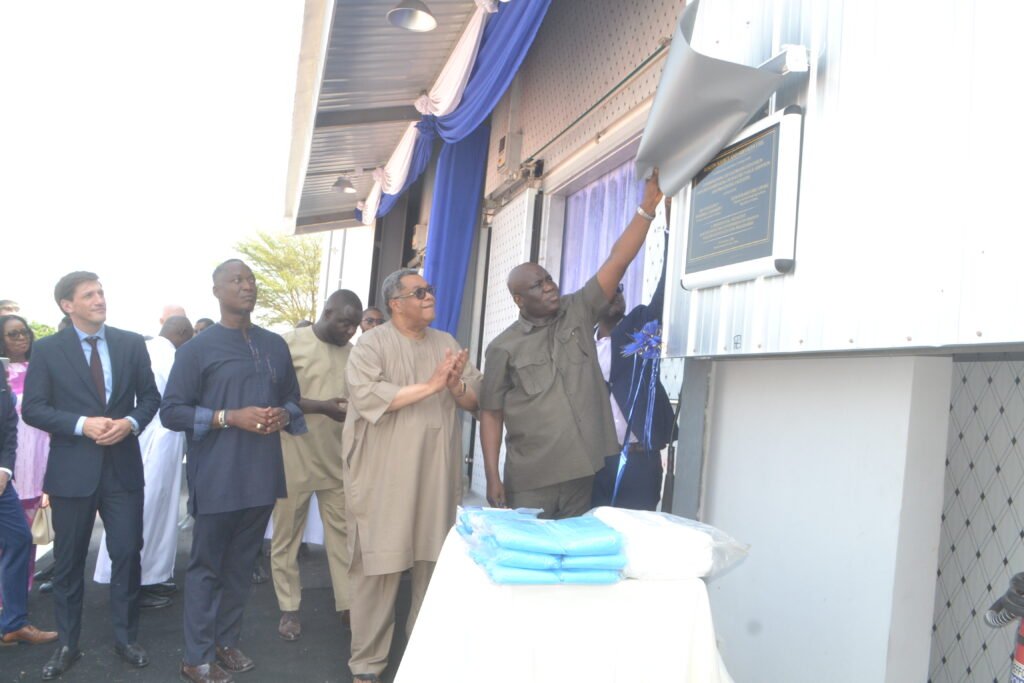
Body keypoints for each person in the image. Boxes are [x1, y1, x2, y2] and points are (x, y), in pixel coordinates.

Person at [480, 171, 664, 519]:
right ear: (519, 300)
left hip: (582, 474)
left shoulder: (577, 312)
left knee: (574, 559)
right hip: (531, 479)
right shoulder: (503, 348)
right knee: (533, 563)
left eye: (548, 279)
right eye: (537, 286)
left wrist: (647, 207)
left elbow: (617, 261)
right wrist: (492, 476)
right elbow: (491, 413)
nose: (548, 287)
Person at [161, 259, 306, 683]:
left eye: (251, 280)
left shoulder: (275, 345)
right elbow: (172, 412)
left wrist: (284, 414)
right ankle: (195, 657)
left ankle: (226, 642)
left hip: (262, 475)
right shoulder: (196, 350)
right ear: (217, 291)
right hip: (217, 475)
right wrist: (228, 417)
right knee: (207, 567)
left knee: (242, 567)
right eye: (236, 281)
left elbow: (295, 399)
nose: (247, 286)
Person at [343, 268, 481, 682]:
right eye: (418, 292)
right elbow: (371, 397)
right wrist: (434, 383)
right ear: (395, 304)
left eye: (430, 290)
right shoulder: (370, 345)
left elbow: (474, 400)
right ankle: (367, 666)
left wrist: (454, 385)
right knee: (378, 570)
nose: (429, 296)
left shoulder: (445, 342)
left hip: (435, 477)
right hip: (383, 478)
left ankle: (422, 659)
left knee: (432, 566)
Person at [22, 271, 161, 679]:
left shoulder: (130, 343)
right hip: (71, 473)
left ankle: (125, 638)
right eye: (89, 294)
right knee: (67, 564)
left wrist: (131, 423)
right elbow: (34, 408)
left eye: (101, 292)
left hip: (122, 470)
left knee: (127, 555)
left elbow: (150, 398)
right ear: (68, 305)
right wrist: (83, 423)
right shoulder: (48, 350)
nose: (100, 299)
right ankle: (67, 644)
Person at [272, 289, 362, 641]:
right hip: (291, 455)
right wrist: (322, 407)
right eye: (344, 322)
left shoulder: (356, 355)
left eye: (354, 325)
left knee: (343, 537)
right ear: (326, 313)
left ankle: (349, 605)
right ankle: (288, 608)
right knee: (286, 538)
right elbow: (274, 394)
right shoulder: (288, 343)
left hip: (336, 461)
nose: (350, 330)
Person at [93, 315, 193, 605]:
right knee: (150, 512)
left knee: (153, 513)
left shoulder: (148, 350)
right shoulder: (167, 356)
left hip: (150, 439)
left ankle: (147, 578)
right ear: (183, 333)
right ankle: (134, 584)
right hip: (157, 442)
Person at [590, 204, 676, 511]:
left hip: (640, 461)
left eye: (620, 288)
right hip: (595, 463)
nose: (616, 294)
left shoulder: (640, 328)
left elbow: (666, 292)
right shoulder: (579, 345)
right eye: (609, 290)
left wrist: (670, 229)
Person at [0, 362, 58, 646]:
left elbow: (9, 430)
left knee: (19, 539)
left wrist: (4, 470)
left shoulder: (3, 375)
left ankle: (13, 623)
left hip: (3, 482)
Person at [0, 315, 49, 594]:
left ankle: (20, 592)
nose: (21, 338)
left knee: (28, 533)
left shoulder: (40, 369)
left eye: (24, 332)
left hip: (37, 460)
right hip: (8, 461)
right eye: (13, 334)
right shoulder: (1, 372)